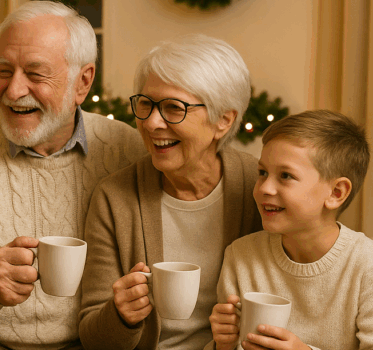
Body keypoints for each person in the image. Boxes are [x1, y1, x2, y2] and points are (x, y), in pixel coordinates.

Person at [0, 1, 147, 348]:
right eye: (4, 71)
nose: (13, 90)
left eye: (35, 74)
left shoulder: (126, 150)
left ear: (83, 82)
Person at [78, 34, 261, 350]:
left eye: (174, 108)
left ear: (224, 120)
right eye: (146, 104)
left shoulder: (258, 188)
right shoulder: (116, 197)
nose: (151, 124)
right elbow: (94, 338)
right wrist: (121, 316)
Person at [207, 110, 372, 350]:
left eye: (286, 176)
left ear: (336, 193)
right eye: (262, 172)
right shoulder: (240, 256)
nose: (265, 188)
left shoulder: (367, 265)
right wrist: (222, 344)